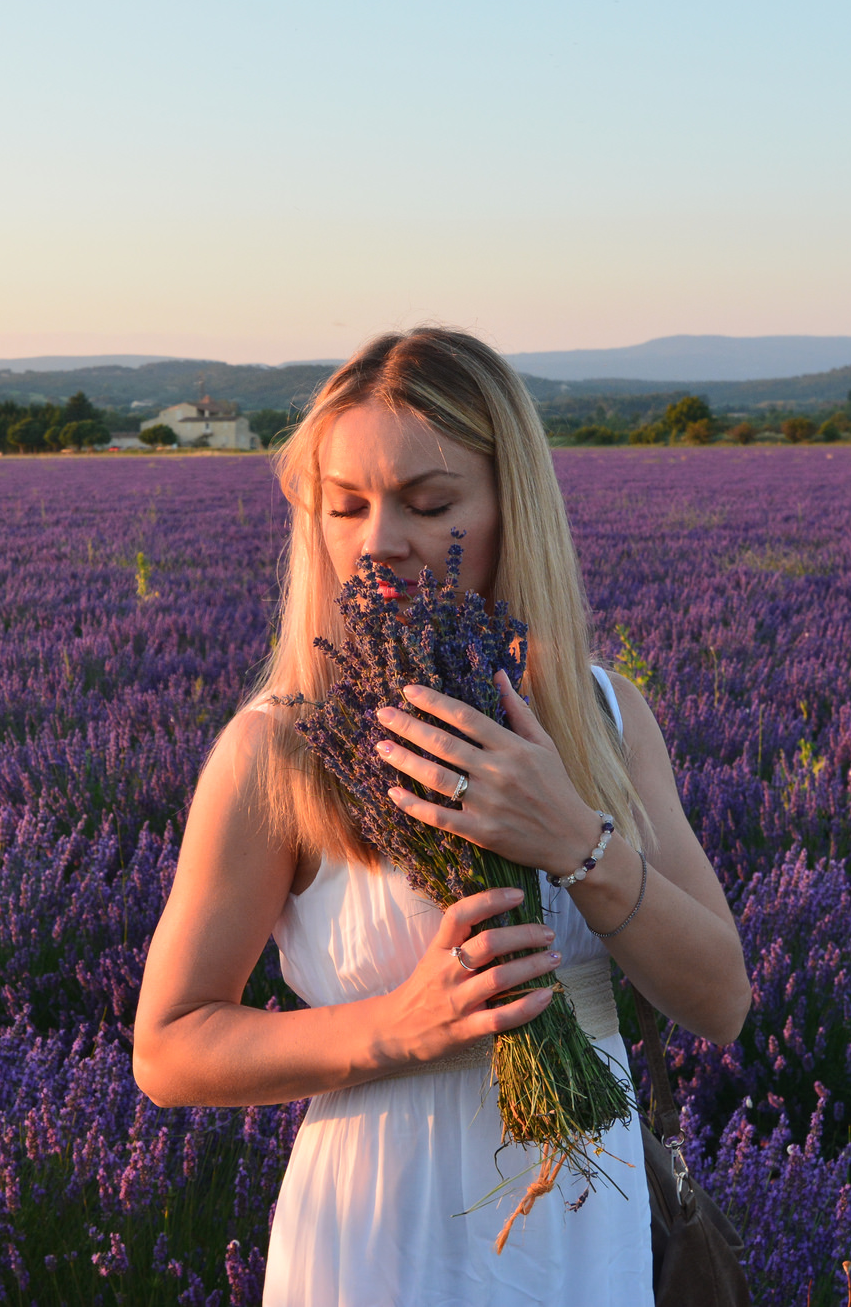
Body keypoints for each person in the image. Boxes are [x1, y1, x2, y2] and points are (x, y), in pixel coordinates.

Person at [133, 328, 751, 1306]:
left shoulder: (605, 717)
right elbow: (167, 1047)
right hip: (383, 1233)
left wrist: (575, 845)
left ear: (510, 508)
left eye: (428, 503)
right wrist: (394, 1028)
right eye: (345, 505)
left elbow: (719, 1000)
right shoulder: (282, 748)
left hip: (583, 1237)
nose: (379, 538)